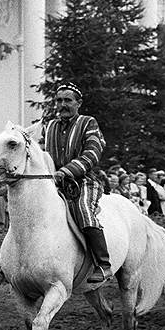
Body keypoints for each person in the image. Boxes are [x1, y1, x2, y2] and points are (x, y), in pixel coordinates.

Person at [44, 82, 113, 284]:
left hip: (83, 181)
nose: (62, 104)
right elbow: (43, 155)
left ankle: (104, 264)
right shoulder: (50, 126)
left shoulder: (88, 123)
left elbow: (92, 154)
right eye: (59, 100)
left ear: (78, 103)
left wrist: (66, 171)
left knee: (83, 209)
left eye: (67, 100)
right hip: (54, 183)